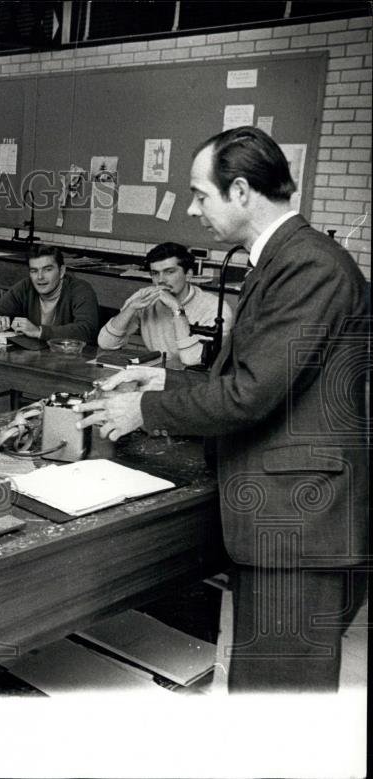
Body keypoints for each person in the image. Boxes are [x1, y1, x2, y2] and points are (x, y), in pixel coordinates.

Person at [77, 127, 368, 693]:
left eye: (199, 194)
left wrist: (146, 409)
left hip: (299, 523)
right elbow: (265, 373)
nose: (192, 209)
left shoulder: (309, 265)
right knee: (266, 691)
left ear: (239, 191)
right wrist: (165, 375)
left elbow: (253, 392)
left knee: (280, 700)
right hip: (287, 516)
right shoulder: (284, 258)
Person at [97, 242, 233, 368]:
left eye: (169, 272)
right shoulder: (144, 297)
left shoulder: (215, 308)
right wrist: (130, 308)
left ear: (189, 275)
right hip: (159, 373)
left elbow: (193, 360)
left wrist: (177, 309)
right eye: (155, 273)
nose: (161, 280)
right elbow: (106, 343)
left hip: (199, 381)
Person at [0, 245, 99, 344]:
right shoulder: (26, 286)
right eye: (34, 271)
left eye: (47, 270)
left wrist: (39, 331)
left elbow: (87, 330)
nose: (40, 277)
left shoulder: (80, 290)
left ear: (61, 271)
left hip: (73, 361)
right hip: (36, 357)